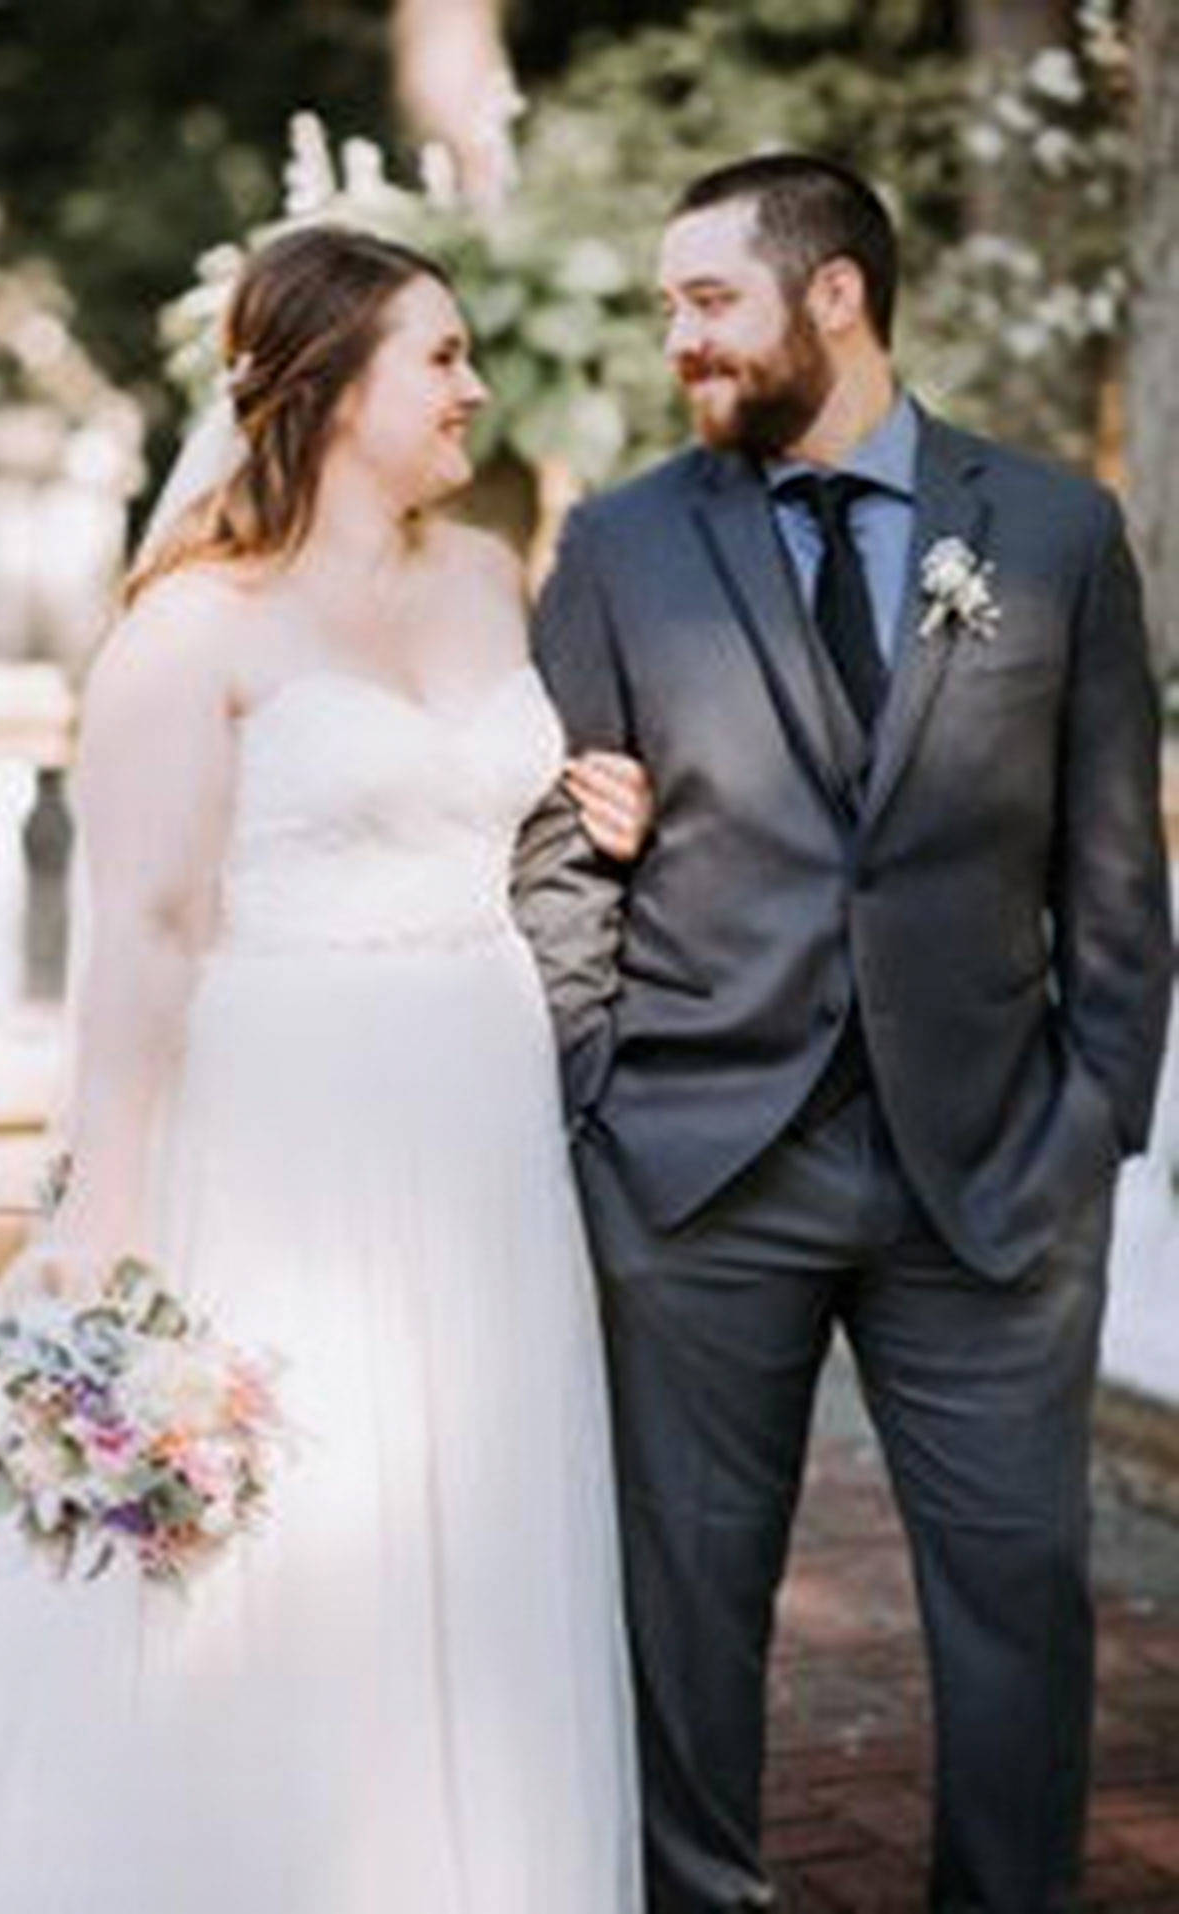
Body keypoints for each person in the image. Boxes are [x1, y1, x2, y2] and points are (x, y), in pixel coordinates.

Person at [0, 224, 649, 1914]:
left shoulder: (482, 573)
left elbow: (492, 798)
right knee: (291, 1527)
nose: (477, 387)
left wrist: (598, 801)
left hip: (478, 1097)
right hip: (289, 1121)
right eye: (440, 358)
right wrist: (106, 1227)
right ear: (328, 389)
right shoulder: (190, 631)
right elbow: (146, 943)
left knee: (469, 1503)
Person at [513, 153, 1173, 1914]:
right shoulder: (621, 544)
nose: (676, 340)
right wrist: (597, 1095)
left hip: (994, 1172)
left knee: (1020, 1600)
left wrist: (1096, 1105)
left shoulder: (1049, 530)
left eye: (704, 300)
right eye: (667, 307)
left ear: (834, 296)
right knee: (689, 1610)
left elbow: (1117, 857)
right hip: (698, 1167)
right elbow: (555, 854)